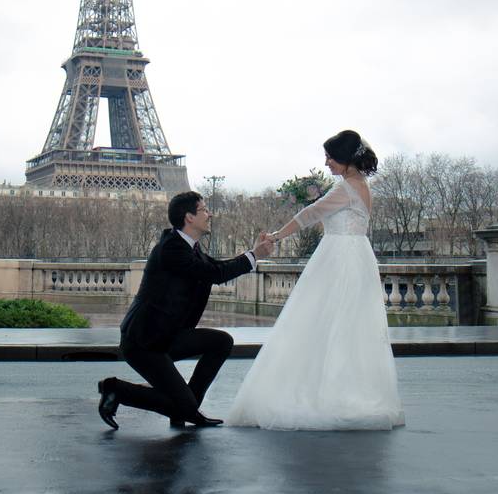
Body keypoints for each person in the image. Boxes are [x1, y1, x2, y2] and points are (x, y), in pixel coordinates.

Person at [225, 130, 405, 430]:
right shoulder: (361, 185)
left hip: (338, 257)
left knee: (318, 321)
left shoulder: (345, 188)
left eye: (330, 157)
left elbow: (310, 214)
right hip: (358, 255)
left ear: (345, 159)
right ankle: (349, 389)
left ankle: (326, 394)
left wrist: (276, 236)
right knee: (348, 326)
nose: (326, 163)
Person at [97, 192, 274, 429]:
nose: (209, 214)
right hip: (143, 343)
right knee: (182, 403)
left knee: (221, 342)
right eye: (204, 210)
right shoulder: (172, 249)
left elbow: (217, 267)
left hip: (165, 337)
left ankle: (186, 408)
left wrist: (253, 253)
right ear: (189, 217)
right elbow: (215, 275)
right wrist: (254, 256)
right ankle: (116, 390)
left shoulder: (189, 247)